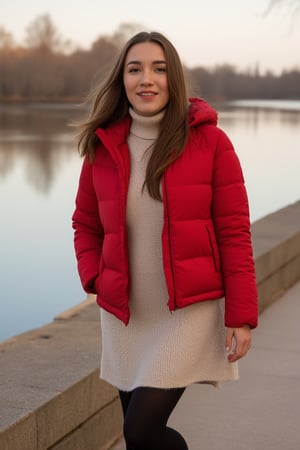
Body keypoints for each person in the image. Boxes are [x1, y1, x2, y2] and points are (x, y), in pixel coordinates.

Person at [72, 31, 258, 450]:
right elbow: (85, 224)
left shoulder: (210, 142)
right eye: (134, 69)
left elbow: (233, 232)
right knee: (141, 439)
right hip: (126, 313)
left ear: (172, 78)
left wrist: (241, 315)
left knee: (141, 431)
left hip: (187, 312)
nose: (146, 79)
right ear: (122, 80)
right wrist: (96, 277)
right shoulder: (103, 148)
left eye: (158, 69)